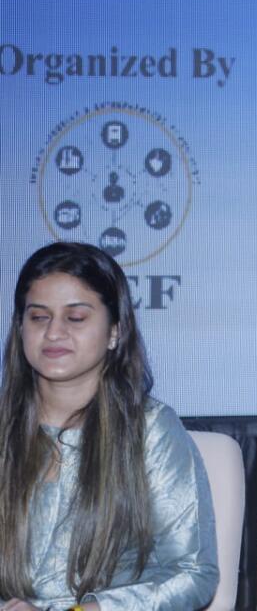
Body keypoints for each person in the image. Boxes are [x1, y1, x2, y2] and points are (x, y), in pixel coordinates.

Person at [0, 242, 218, 611]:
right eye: (38, 317)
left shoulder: (149, 429)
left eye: (75, 318)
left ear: (114, 331)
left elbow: (192, 573)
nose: (53, 332)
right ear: (20, 328)